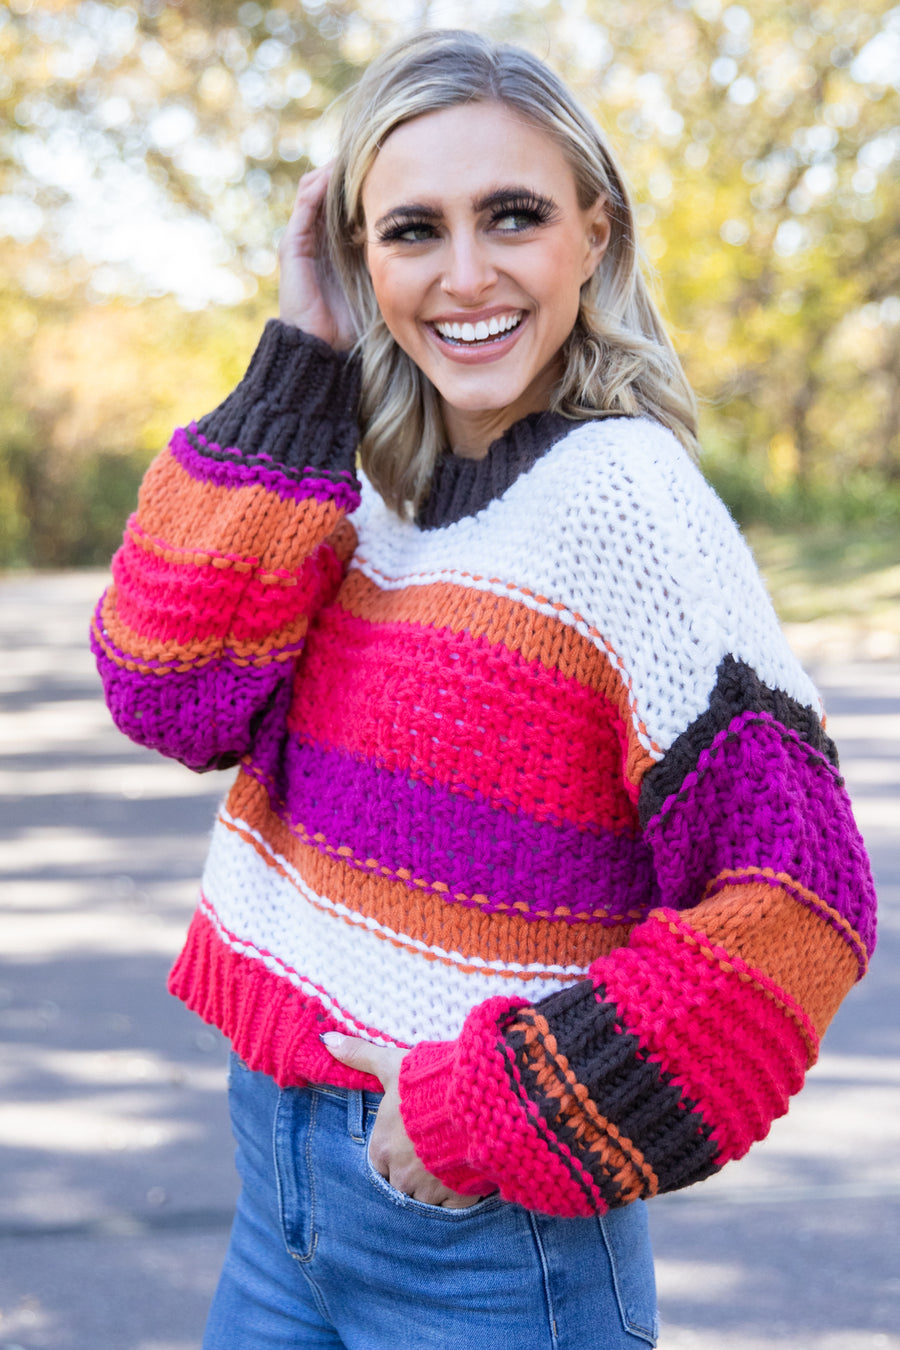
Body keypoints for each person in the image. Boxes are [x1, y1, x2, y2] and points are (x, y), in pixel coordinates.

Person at [91, 29, 877, 1350]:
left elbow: (800, 897)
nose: (466, 275)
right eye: (411, 231)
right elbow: (165, 692)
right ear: (358, 257)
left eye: (511, 215)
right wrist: (300, 348)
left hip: (480, 1239)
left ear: (593, 236)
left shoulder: (625, 503)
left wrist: (501, 1108)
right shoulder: (349, 485)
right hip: (275, 1188)